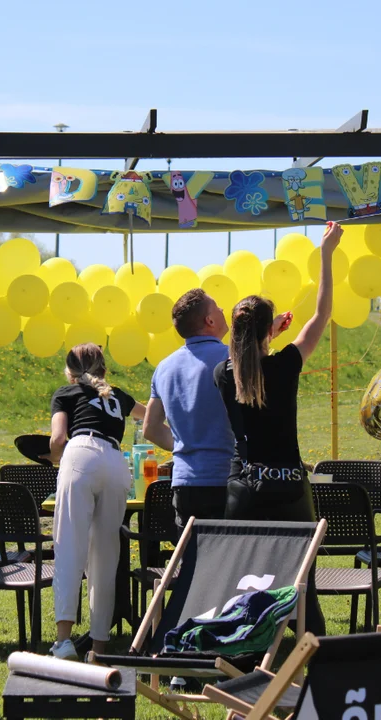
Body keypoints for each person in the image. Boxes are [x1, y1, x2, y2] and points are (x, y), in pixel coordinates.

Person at [213, 220, 343, 635]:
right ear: (270, 331)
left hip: (245, 492)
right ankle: (317, 654)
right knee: (302, 586)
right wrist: (326, 253)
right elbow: (322, 313)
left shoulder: (222, 372)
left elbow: (245, 355)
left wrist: (266, 333)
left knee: (240, 583)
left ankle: (241, 654)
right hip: (288, 489)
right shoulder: (285, 365)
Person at [47, 343, 146, 660]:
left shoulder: (66, 393)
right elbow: (151, 415)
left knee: (69, 546)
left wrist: (51, 458)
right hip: (117, 463)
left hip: (81, 453)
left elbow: (58, 440)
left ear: (71, 372)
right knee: (106, 557)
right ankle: (99, 647)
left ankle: (64, 641)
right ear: (104, 369)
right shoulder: (118, 395)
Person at [143, 288, 235, 529]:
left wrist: (188, 447)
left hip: (185, 482)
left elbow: (150, 429)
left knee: (192, 560)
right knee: (233, 560)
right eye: (217, 307)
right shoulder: (233, 358)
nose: (224, 310)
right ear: (210, 320)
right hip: (226, 478)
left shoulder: (164, 367)